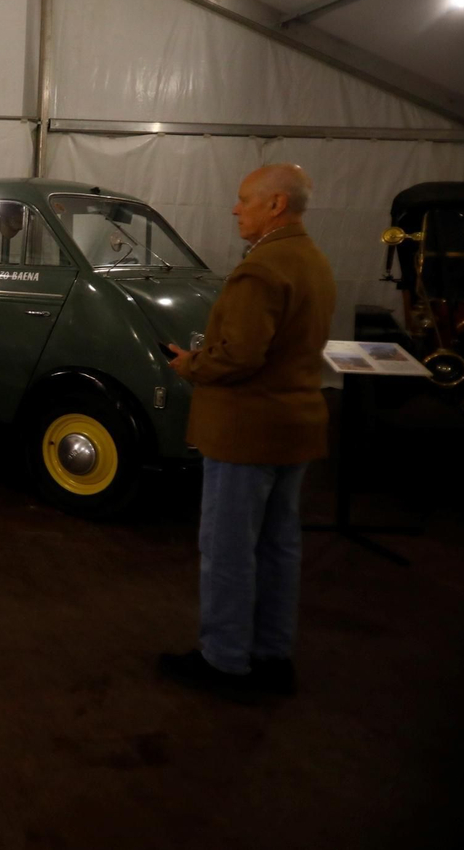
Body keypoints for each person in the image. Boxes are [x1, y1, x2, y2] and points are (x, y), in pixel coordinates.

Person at [159, 163, 336, 697]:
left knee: (229, 548)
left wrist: (191, 364)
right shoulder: (313, 260)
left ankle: (225, 661)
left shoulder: (262, 268)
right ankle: (271, 653)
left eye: (244, 200)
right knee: (279, 546)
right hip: (294, 428)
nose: (236, 209)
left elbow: (238, 356)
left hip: (246, 432)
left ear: (276, 204)